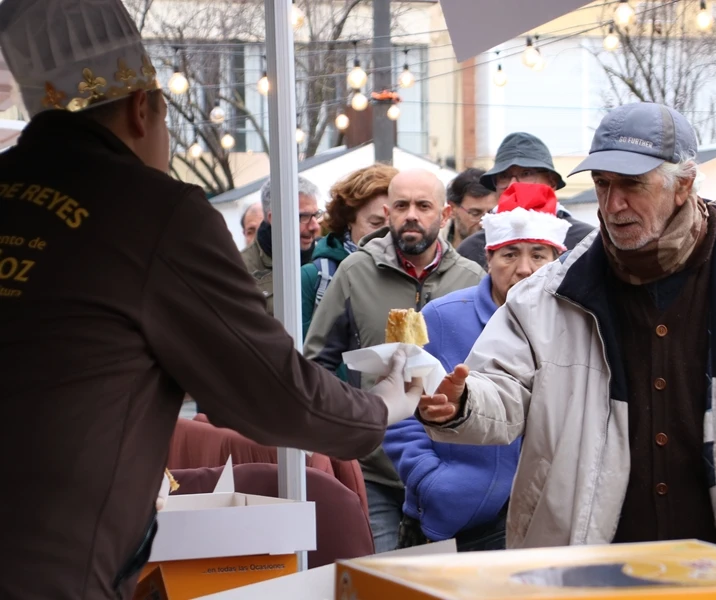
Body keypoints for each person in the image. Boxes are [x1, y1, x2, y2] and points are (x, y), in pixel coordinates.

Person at [0, 2, 420, 599]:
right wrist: (379, 407)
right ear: (143, 109)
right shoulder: (154, 213)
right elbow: (273, 392)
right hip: (52, 571)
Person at [417, 102, 716, 577]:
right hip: (585, 578)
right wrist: (464, 403)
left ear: (683, 185)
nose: (612, 205)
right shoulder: (547, 296)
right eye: (604, 184)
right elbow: (503, 393)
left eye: (632, 185)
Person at [304, 168, 484, 552]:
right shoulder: (356, 272)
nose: (411, 215)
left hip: (452, 472)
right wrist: (338, 434)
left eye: (423, 206)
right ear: (388, 213)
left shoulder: (472, 280)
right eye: (401, 206)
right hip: (376, 470)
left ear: (445, 213)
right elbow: (316, 362)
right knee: (384, 582)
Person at [386, 182, 570, 552]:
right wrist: (432, 480)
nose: (524, 269)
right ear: (488, 259)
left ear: (556, 262)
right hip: (455, 517)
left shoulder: (576, 325)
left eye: (538, 255)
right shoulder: (439, 317)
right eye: (509, 255)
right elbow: (398, 411)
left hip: (546, 519)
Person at [455, 132, 595, 269]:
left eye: (526, 174)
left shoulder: (587, 241)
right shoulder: (472, 248)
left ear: (551, 181)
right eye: (504, 176)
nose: (512, 186)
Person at [300, 164, 397, 337]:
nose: (386, 233)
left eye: (395, 223)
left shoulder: (416, 275)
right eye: (376, 223)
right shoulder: (314, 277)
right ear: (349, 220)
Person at [241, 175, 323, 316]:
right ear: (275, 219)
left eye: (316, 215)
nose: (314, 226)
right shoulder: (240, 269)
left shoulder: (326, 261)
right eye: (303, 217)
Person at [441, 167, 497, 248]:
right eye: (475, 213)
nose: (483, 224)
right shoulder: (431, 251)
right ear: (452, 209)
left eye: (492, 213)